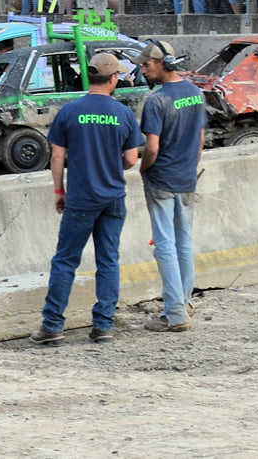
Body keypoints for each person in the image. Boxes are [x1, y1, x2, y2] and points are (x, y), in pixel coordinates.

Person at [31, 52, 142, 346]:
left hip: (80, 198)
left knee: (65, 261)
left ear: (88, 76)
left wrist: (59, 191)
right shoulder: (123, 113)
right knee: (108, 260)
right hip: (113, 197)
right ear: (114, 78)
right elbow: (131, 159)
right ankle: (103, 325)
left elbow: (57, 156)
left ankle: (52, 325)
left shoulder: (69, 111)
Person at [136, 42, 205, 334]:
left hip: (161, 179)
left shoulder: (157, 100)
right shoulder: (195, 93)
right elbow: (200, 140)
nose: (143, 69)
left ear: (162, 63)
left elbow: (152, 147)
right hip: (187, 177)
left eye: (146, 65)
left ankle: (175, 313)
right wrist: (189, 166)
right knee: (183, 243)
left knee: (164, 244)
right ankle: (184, 302)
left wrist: (144, 168)